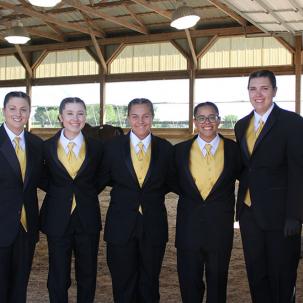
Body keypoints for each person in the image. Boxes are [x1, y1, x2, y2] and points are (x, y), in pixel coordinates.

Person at [234, 69, 303, 303]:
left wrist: (295, 215)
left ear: (274, 91)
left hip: (281, 215)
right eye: (253, 89)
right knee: (256, 275)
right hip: (249, 213)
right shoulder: (241, 125)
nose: (258, 94)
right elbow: (246, 167)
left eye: (264, 88)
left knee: (282, 276)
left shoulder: (292, 123)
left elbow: (298, 171)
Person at [98, 98, 174, 303]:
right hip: (120, 224)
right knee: (123, 283)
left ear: (152, 117)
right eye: (135, 116)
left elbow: (170, 182)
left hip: (153, 224)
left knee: (150, 282)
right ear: (128, 118)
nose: (141, 121)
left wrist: (149, 196)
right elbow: (102, 178)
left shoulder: (165, 149)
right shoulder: (112, 147)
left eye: (145, 116)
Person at [174, 102, 241, 303]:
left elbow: (247, 178)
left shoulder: (234, 150)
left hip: (220, 228)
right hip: (188, 228)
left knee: (218, 283)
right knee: (189, 282)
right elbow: (171, 182)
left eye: (212, 117)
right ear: (194, 122)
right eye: (201, 118)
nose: (207, 122)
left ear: (219, 120)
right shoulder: (179, 151)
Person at [40, 97, 103, 303]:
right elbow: (42, 177)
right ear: (60, 116)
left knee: (87, 274)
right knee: (58, 274)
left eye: (80, 113)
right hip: (57, 218)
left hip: (87, 217)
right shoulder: (46, 147)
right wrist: (62, 193)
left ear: (85, 116)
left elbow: (102, 177)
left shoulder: (97, 147)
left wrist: (84, 192)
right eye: (70, 113)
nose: (75, 118)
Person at [0, 91, 44, 303]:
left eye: (23, 109)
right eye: (13, 109)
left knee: (20, 286)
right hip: (1, 225)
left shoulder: (37, 145)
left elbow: (46, 180)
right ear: (3, 111)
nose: (18, 114)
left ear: (29, 112)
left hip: (27, 227)